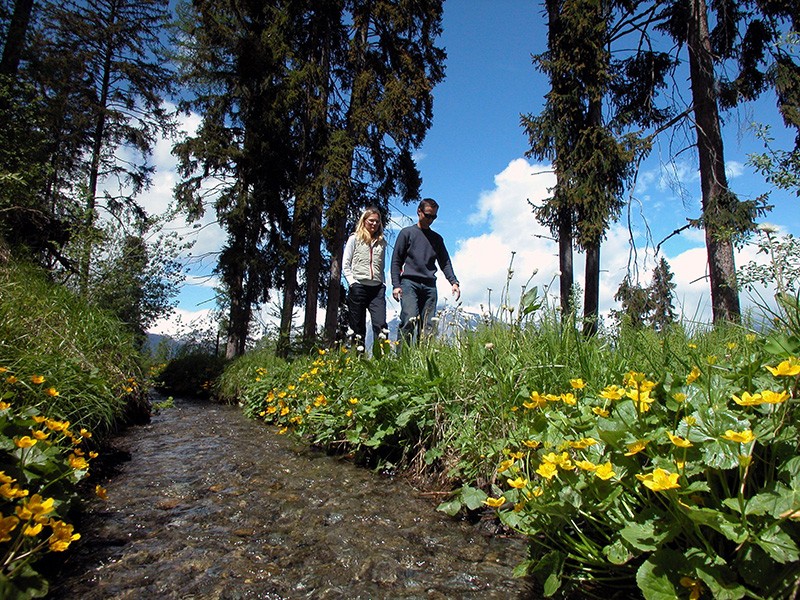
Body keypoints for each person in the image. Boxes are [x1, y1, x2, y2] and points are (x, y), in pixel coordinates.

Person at [391, 198, 460, 346]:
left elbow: (445, 262)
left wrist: (453, 282)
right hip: (409, 283)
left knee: (429, 325)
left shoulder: (437, 239)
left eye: (434, 217)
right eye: (428, 215)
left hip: (429, 285)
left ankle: (424, 360)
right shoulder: (406, 233)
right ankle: (403, 360)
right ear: (419, 212)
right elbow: (396, 261)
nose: (430, 220)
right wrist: (396, 285)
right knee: (409, 318)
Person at [342, 206, 388, 351]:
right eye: (371, 221)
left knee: (381, 325)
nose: (374, 224)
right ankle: (359, 361)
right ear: (364, 221)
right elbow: (346, 264)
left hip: (377, 289)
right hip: (359, 287)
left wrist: (383, 283)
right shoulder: (354, 239)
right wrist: (352, 283)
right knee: (357, 327)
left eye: (377, 221)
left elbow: (382, 266)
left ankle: (381, 359)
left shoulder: (382, 242)